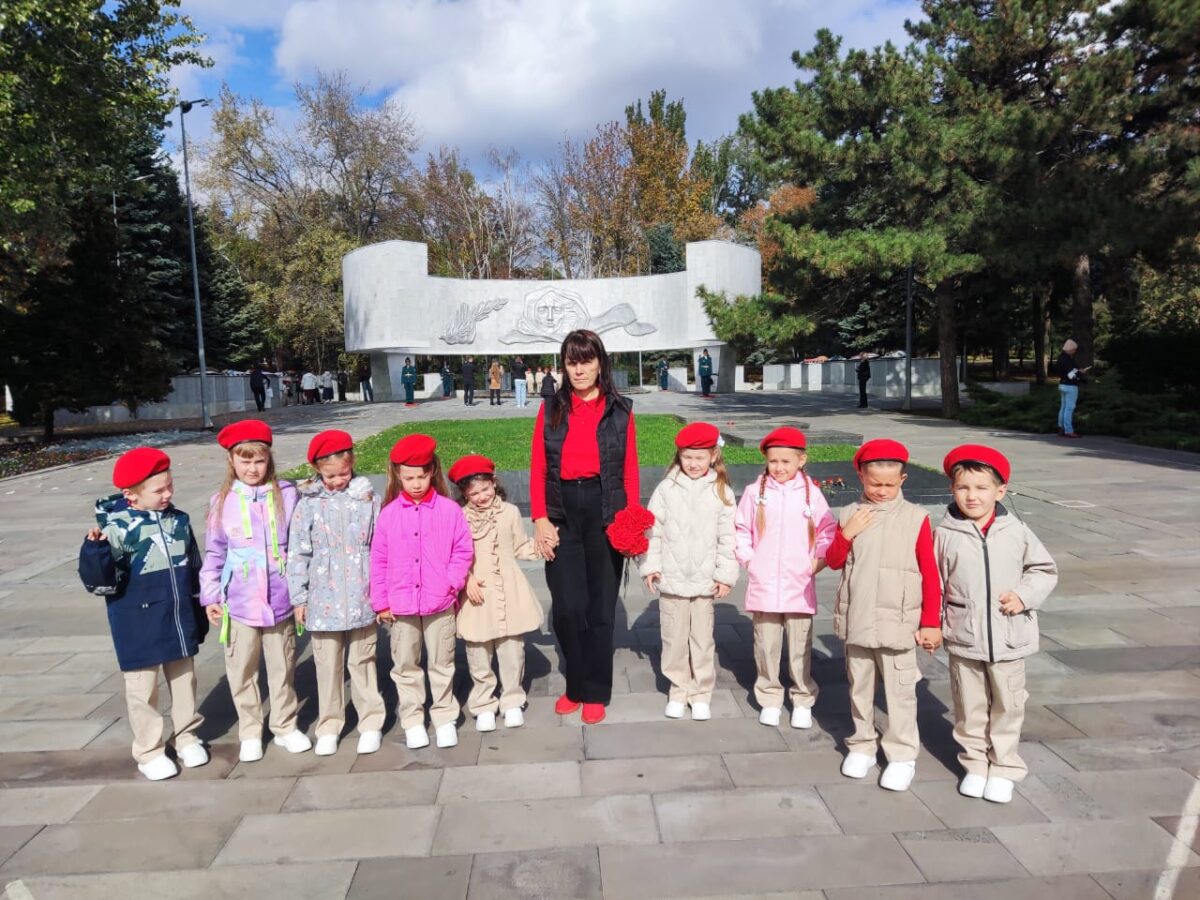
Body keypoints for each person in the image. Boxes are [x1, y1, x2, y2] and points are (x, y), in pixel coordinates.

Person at [935, 445, 1058, 803]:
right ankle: (975, 764)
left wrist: (1023, 595)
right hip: (963, 636)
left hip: (1009, 636)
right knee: (969, 706)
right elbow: (934, 583)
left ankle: (1004, 766)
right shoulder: (943, 533)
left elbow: (1043, 569)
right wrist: (932, 623)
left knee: (1009, 704)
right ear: (952, 489)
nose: (972, 496)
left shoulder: (1016, 530)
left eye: (981, 488)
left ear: (1000, 491)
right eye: (963, 488)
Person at [79, 448, 209, 781]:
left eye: (170, 486)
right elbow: (100, 584)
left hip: (178, 613)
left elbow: (194, 564)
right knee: (142, 688)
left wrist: (201, 600)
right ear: (131, 495)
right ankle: (149, 750)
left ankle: (187, 736)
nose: (167, 494)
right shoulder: (116, 529)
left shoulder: (179, 520)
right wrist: (95, 552)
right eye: (158, 490)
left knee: (184, 680)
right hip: (136, 620)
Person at [531, 329, 639, 725]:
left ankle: (595, 689)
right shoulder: (551, 408)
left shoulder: (620, 410)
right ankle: (574, 684)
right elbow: (538, 467)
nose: (578, 370)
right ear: (564, 366)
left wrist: (629, 521)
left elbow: (629, 471)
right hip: (562, 511)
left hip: (604, 508)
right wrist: (540, 518)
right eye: (571, 362)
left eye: (586, 361)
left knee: (601, 605)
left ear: (600, 363)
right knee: (567, 607)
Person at [825, 439, 943, 792]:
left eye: (889, 484)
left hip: (899, 623)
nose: (881, 490)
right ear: (861, 476)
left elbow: (930, 573)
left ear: (902, 480)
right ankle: (862, 744)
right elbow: (834, 561)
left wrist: (931, 622)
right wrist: (847, 533)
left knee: (900, 693)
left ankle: (902, 755)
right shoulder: (849, 513)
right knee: (859, 689)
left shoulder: (916, 518)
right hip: (858, 618)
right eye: (875, 483)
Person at [199, 420, 310, 762]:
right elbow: (214, 553)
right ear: (231, 461)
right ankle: (250, 730)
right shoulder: (222, 502)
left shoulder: (287, 494)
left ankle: (285, 725)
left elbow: (302, 541)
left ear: (269, 460)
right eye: (244, 461)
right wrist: (211, 596)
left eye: (259, 461)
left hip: (280, 599)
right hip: (241, 602)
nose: (252, 468)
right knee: (242, 669)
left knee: (283, 667)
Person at [371, 434, 473, 750]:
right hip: (401, 604)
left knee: (442, 662)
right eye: (408, 478)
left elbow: (462, 550)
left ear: (432, 472)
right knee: (405, 665)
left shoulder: (449, 510)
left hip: (439, 601)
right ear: (398, 476)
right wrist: (381, 601)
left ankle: (444, 717)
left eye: (421, 476)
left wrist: (451, 582)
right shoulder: (389, 514)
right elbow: (379, 558)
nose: (415, 484)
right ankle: (413, 719)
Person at [287, 430, 385, 757]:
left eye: (343, 474)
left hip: (361, 593)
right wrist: (299, 598)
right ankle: (329, 724)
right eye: (330, 476)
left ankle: (370, 721)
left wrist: (381, 592)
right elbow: (298, 552)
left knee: (363, 660)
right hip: (323, 597)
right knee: (327, 665)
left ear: (352, 464)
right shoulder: (308, 504)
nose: (337, 481)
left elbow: (380, 547)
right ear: (317, 470)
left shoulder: (368, 499)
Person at [734, 427, 836, 730]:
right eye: (773, 461)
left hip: (799, 583)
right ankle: (769, 697)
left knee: (800, 645)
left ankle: (802, 697)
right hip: (765, 581)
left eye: (786, 461)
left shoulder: (811, 494)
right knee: (765, 644)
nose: (779, 467)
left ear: (801, 460)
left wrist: (816, 563)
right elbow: (741, 529)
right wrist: (750, 561)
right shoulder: (755, 493)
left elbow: (827, 530)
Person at [640, 422, 737, 721]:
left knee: (702, 641)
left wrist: (724, 575)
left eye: (700, 457)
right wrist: (651, 566)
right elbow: (653, 531)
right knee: (673, 639)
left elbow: (728, 538)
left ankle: (700, 692)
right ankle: (678, 690)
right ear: (679, 456)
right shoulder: (666, 489)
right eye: (687, 457)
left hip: (705, 581)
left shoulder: (722, 492)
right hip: (672, 579)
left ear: (713, 456)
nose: (693, 464)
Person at [450, 455, 543, 732]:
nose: (481, 497)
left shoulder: (510, 512)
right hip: (477, 591)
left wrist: (543, 546)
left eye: (485, 489)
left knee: (512, 648)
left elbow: (520, 545)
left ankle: (512, 699)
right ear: (464, 494)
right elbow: (453, 554)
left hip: (509, 587)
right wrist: (466, 579)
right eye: (474, 493)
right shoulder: (459, 517)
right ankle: (483, 703)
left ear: (494, 483)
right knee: (478, 650)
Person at [1055, 339, 1089, 438]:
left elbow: (1066, 371)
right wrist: (1080, 374)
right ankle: (1069, 431)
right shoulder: (1069, 360)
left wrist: (1077, 371)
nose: (1075, 351)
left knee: (1063, 407)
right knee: (1069, 408)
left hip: (1062, 384)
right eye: (1074, 349)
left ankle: (1061, 428)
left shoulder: (1060, 358)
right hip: (1070, 386)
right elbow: (1071, 375)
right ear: (1070, 349)